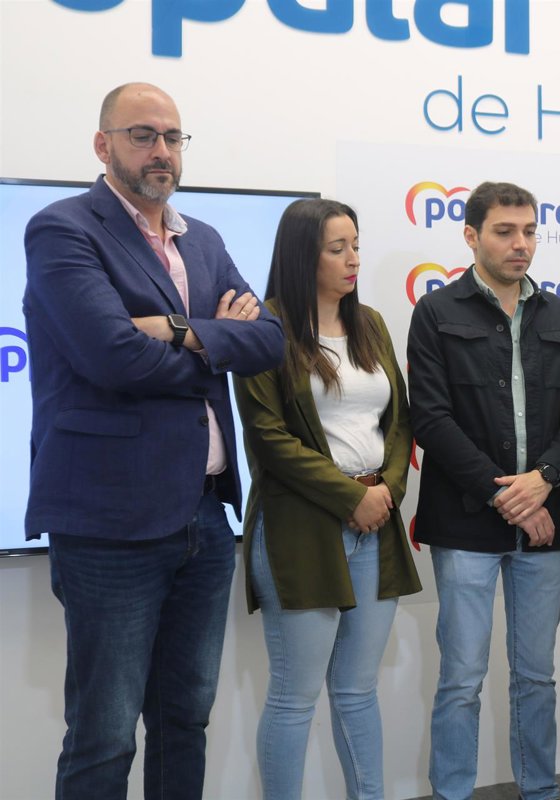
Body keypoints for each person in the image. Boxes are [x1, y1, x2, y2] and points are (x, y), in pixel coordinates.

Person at [22, 82, 284, 799]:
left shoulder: (205, 240)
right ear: (102, 145)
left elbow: (268, 342)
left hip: (205, 514)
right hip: (110, 520)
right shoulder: (63, 229)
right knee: (104, 735)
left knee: (184, 719)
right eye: (142, 135)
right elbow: (112, 356)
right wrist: (216, 341)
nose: (161, 150)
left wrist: (173, 329)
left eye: (172, 137)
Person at [233, 199, 421, 799]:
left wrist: (386, 491)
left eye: (356, 245)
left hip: (375, 522)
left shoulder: (370, 324)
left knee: (358, 690)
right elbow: (268, 437)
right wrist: (348, 497)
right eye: (337, 249)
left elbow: (400, 423)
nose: (353, 259)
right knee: (295, 696)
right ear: (301, 256)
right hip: (300, 528)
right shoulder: (265, 326)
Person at [406, 181, 560, 800]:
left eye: (529, 231)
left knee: (537, 677)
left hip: (546, 517)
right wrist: (505, 496)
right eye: (505, 231)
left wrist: (544, 481)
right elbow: (430, 419)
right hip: (465, 522)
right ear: (471, 236)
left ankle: (540, 791)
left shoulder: (559, 316)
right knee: (462, 679)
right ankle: (453, 792)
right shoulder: (436, 312)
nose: (521, 244)